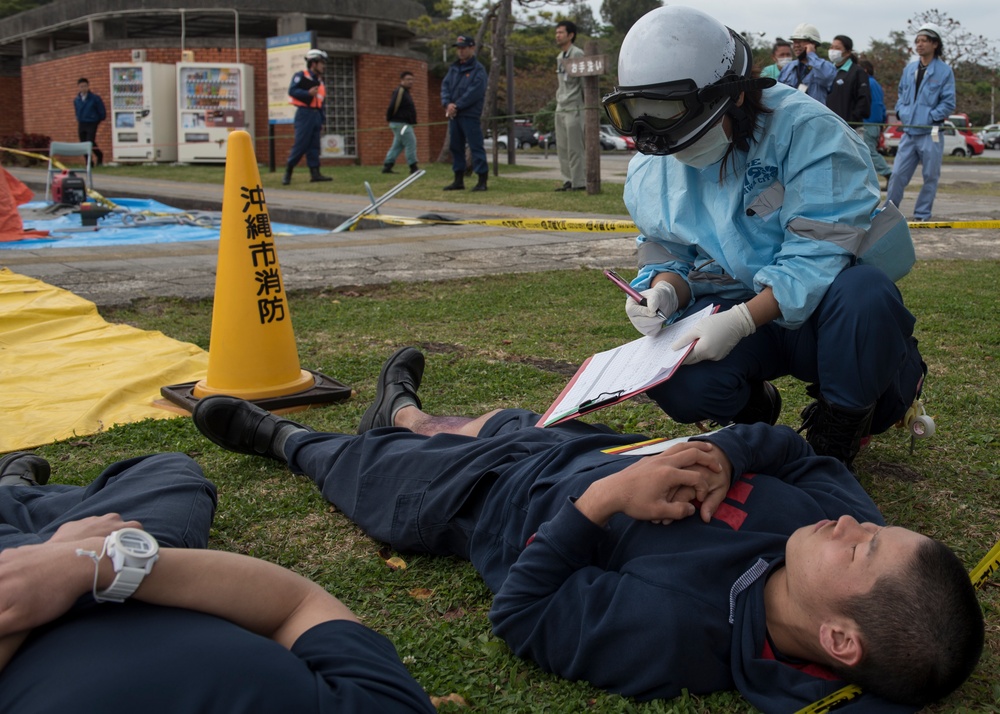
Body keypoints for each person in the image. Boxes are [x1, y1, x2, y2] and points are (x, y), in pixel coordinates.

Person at [190, 348, 985, 713]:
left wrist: (603, 503)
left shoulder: (681, 636)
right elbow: (797, 456)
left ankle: (282, 439)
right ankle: (404, 411)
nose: (856, 522)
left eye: (865, 548)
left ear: (840, 640)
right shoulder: (826, 520)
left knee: (370, 472)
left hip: (489, 507)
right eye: (877, 528)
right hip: (586, 449)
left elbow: (525, 615)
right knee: (501, 422)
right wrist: (720, 451)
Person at [601, 6, 926, 469]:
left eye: (671, 113)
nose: (673, 147)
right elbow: (668, 249)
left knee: (866, 296)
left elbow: (817, 255)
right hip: (737, 303)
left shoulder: (810, 133)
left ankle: (840, 431)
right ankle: (752, 410)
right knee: (676, 375)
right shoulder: (653, 162)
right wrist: (664, 291)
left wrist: (738, 323)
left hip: (827, 314)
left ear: (733, 97)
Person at [0, 451, 434, 713]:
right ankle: (21, 500)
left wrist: (37, 575)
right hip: (132, 576)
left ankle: (14, 495)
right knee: (169, 472)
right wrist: (92, 562)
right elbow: (298, 604)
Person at [886, 23, 956, 221]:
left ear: (935, 44)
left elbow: (949, 102)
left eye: (924, 40)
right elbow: (901, 93)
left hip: (931, 133)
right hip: (909, 132)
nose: (919, 44)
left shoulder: (944, 71)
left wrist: (931, 117)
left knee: (930, 177)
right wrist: (901, 111)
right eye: (917, 41)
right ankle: (889, 213)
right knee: (898, 174)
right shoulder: (909, 69)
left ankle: (922, 215)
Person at [441, 35, 488, 192]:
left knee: (475, 147)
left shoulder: (478, 69)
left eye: (464, 48)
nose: (460, 51)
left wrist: (458, 105)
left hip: (469, 114)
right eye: (459, 48)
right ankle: (458, 179)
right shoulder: (453, 68)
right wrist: (447, 104)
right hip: (454, 115)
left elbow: (474, 92)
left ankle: (482, 179)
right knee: (456, 146)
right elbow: (445, 87)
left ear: (472, 48)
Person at [282, 48, 333, 185]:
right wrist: (307, 93)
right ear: (313, 63)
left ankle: (315, 174)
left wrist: (322, 119)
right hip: (304, 114)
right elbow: (292, 90)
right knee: (301, 144)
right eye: (322, 63)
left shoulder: (320, 81)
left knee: (314, 146)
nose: (324, 66)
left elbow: (321, 101)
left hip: (316, 114)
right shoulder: (301, 75)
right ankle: (288, 172)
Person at [554, 20, 586, 192]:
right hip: (561, 105)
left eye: (561, 32)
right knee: (562, 146)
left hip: (574, 106)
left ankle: (579, 182)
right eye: (556, 32)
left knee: (575, 146)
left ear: (570, 35)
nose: (557, 35)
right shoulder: (560, 57)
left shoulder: (578, 54)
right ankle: (567, 180)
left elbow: (583, 84)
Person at [778, 23, 836, 103]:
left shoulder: (826, 67)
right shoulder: (788, 68)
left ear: (813, 44)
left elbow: (826, 78)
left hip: (814, 114)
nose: (796, 45)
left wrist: (811, 54)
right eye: (794, 42)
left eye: (801, 41)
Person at [858, 59, 894, 181]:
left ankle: (888, 173)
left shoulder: (866, 84)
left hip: (868, 122)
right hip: (875, 122)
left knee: (868, 152)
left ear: (864, 70)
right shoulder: (876, 84)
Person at [825, 35, 871, 126]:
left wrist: (852, 119)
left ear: (848, 52)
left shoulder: (857, 72)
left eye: (837, 48)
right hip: (829, 125)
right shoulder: (828, 70)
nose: (833, 50)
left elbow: (864, 100)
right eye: (831, 47)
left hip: (849, 127)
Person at [382, 71, 419, 175]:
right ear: (402, 81)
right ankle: (413, 167)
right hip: (401, 124)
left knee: (398, 145)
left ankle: (388, 165)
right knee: (411, 143)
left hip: (402, 123)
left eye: (412, 80)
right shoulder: (400, 91)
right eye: (408, 80)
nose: (410, 82)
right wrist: (390, 118)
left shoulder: (406, 92)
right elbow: (393, 106)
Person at [73, 78, 106, 166]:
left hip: (92, 122)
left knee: (89, 141)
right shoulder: (77, 100)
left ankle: (98, 156)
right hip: (82, 122)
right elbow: (76, 110)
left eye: (85, 86)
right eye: (81, 86)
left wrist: (97, 119)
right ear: (78, 87)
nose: (83, 88)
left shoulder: (95, 98)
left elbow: (102, 111)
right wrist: (78, 118)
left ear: (88, 86)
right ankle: (89, 161)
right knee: (83, 142)